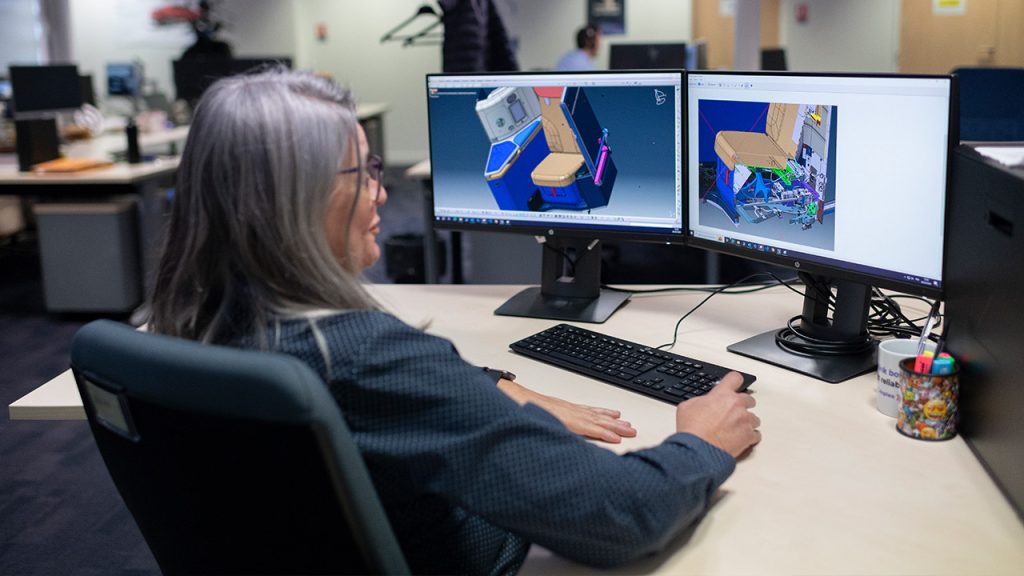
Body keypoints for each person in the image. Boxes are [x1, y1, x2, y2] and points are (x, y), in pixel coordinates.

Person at [148, 68, 761, 574]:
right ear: (289, 199)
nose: (382, 194)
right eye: (360, 174)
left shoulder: (192, 324)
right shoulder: (367, 358)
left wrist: (491, 383)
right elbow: (620, 516)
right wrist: (699, 442)